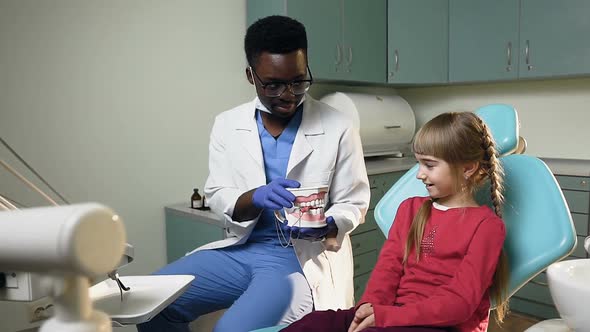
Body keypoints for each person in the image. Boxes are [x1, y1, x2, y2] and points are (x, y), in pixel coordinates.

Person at [137, 15, 370, 332]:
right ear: (251, 75)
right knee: (149, 302)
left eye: (298, 81)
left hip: (299, 261)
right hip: (243, 249)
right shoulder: (227, 124)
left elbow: (353, 202)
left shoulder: (339, 125)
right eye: (273, 84)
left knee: (230, 330)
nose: (288, 95)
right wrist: (255, 198)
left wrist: (329, 224)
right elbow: (218, 194)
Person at [282, 112, 509, 332]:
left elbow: (459, 304)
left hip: (442, 325)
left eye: (429, 165)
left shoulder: (486, 226)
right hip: (392, 316)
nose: (420, 174)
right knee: (312, 323)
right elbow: (388, 270)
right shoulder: (411, 209)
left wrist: (385, 317)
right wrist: (367, 309)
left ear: (467, 168)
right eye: (419, 164)